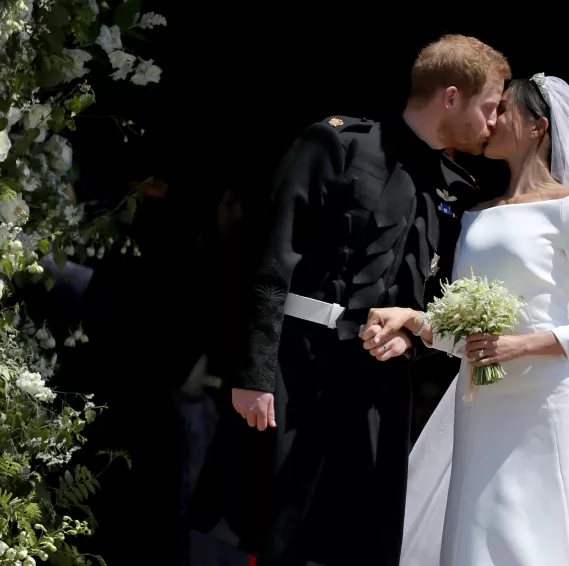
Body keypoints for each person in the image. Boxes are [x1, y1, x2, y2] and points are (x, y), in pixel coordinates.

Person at [188, 35, 510, 566]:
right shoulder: (336, 144)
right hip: (299, 367)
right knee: (274, 531)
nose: (494, 121)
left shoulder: (453, 188)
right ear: (451, 97)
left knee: (358, 540)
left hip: (382, 388)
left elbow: (439, 301)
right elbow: (273, 260)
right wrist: (254, 373)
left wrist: (411, 340)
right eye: (489, 105)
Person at [360, 75, 569, 566]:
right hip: (482, 405)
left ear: (538, 127)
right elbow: (466, 336)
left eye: (504, 111)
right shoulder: (475, 214)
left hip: (551, 401)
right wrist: (414, 320)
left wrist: (521, 345)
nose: (491, 121)